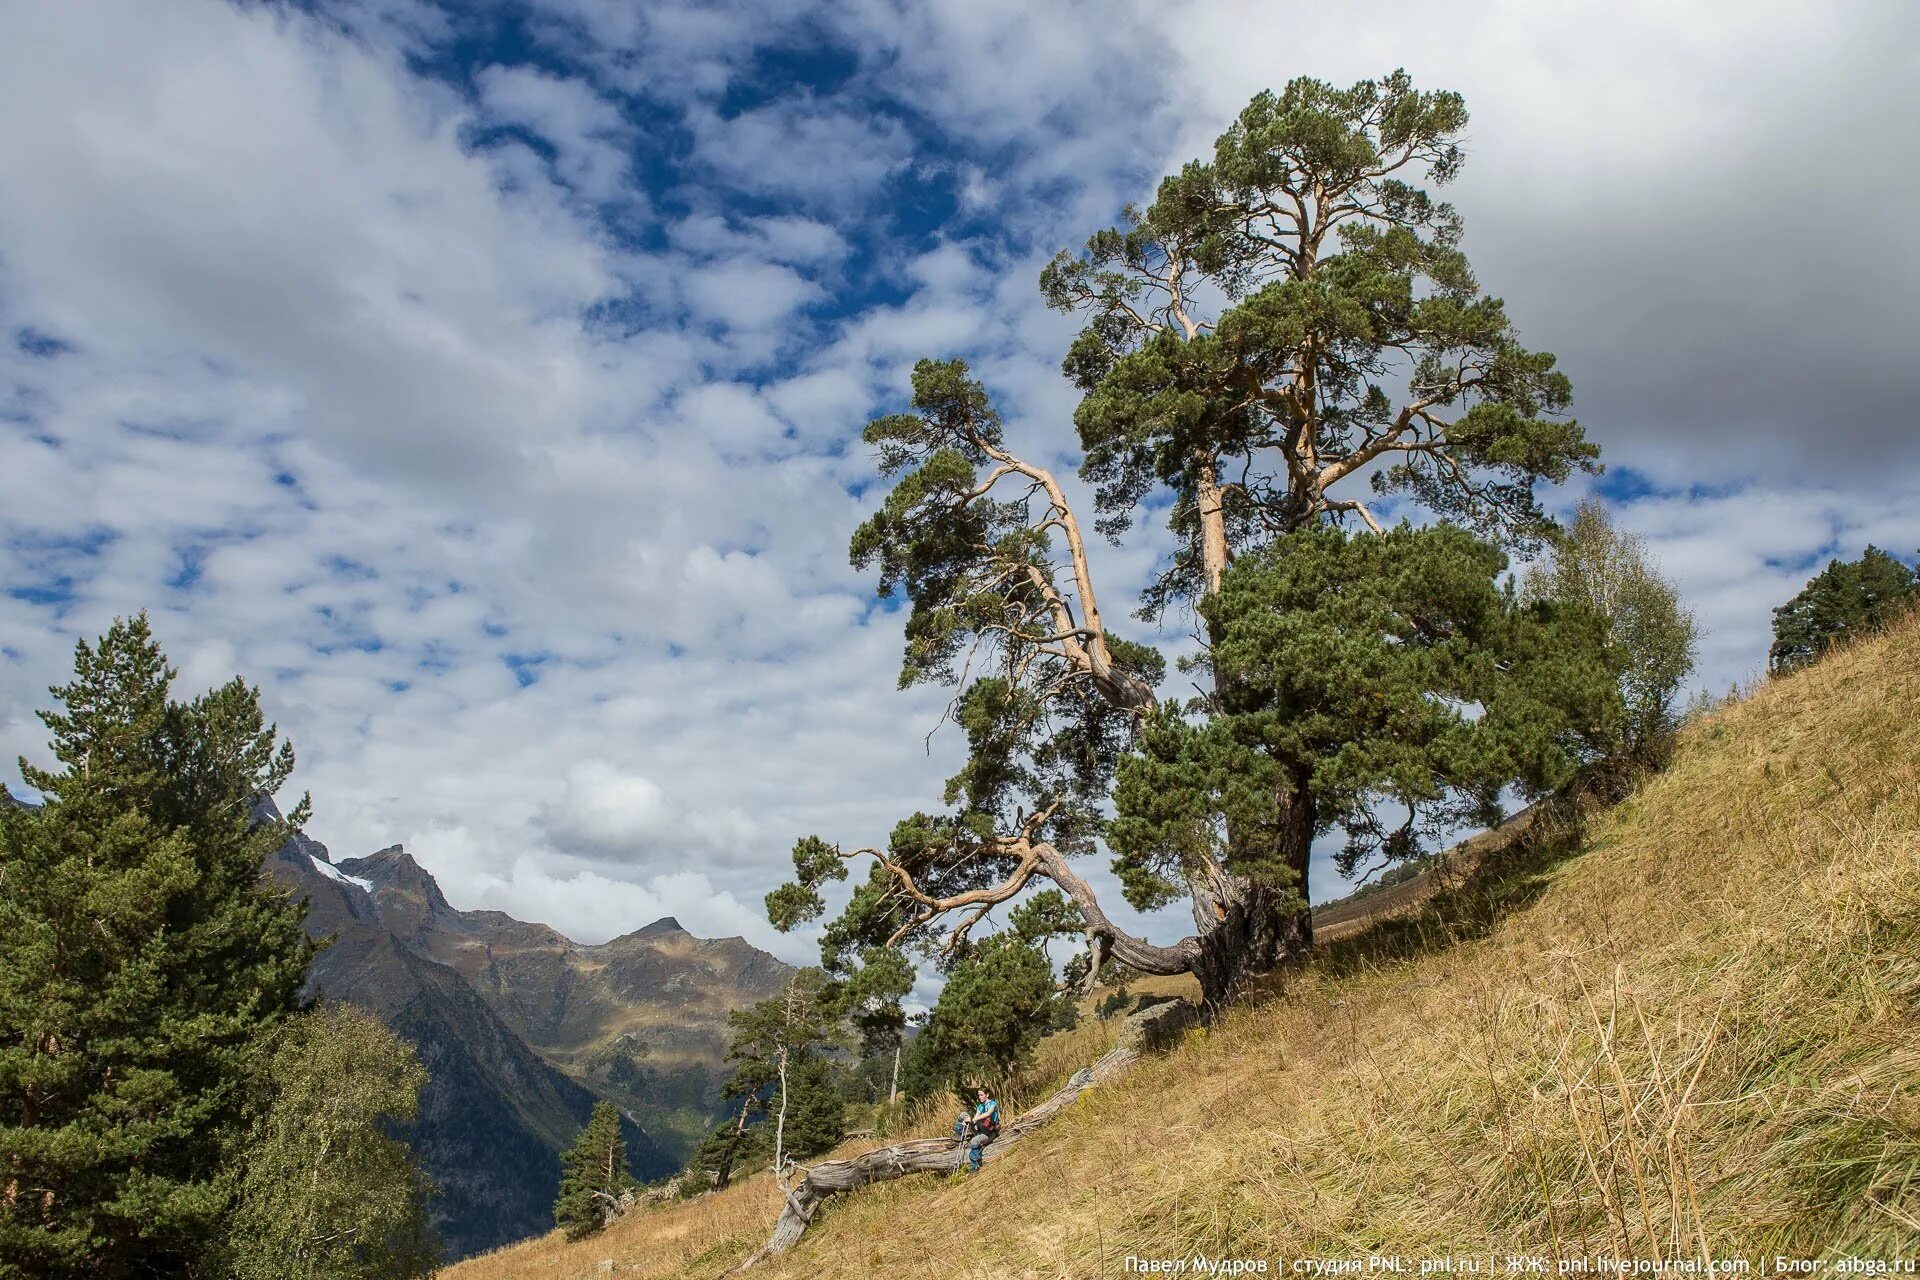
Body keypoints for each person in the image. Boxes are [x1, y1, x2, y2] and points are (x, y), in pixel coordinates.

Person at [951, 1086, 1000, 1172]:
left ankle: (975, 1165)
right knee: (963, 1115)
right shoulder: (980, 1106)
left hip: (988, 1133)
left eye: (981, 1095)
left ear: (987, 1095)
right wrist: (968, 1121)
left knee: (975, 1141)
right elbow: (976, 1116)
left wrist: (974, 1120)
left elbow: (988, 1114)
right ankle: (958, 1135)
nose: (980, 1097)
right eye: (979, 1095)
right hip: (980, 1128)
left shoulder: (993, 1104)